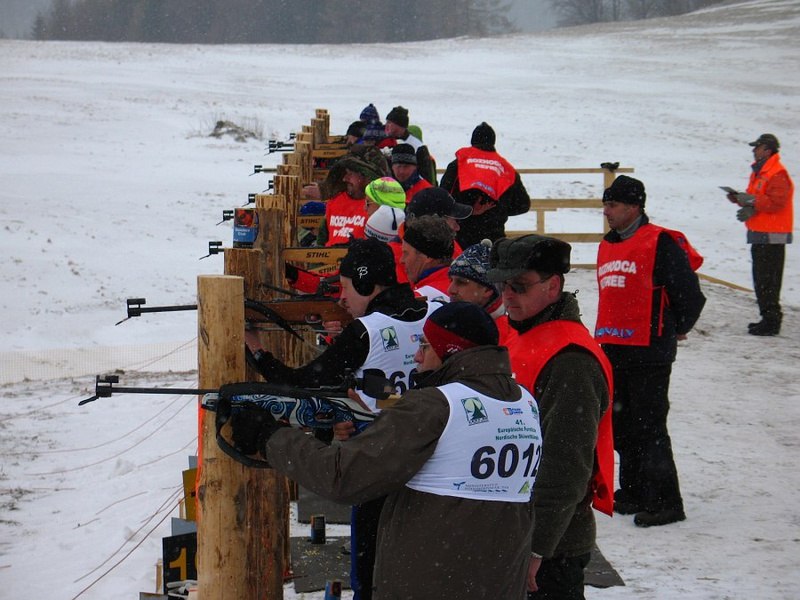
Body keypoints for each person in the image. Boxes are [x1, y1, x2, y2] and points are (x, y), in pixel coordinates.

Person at [229, 301, 542, 599]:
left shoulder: (433, 406)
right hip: (498, 582)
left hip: (427, 584)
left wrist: (268, 435)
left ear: (451, 351)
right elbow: (451, 455)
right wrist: (375, 423)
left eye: (425, 347)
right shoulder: (523, 401)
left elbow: (342, 476)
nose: (417, 357)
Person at [246, 238, 431, 600]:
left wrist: (256, 350)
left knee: (369, 568)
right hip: (425, 454)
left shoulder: (365, 332)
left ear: (365, 283)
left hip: (378, 461)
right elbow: (401, 392)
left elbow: (298, 384)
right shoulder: (429, 311)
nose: (342, 298)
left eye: (346, 287)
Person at [486, 234, 614, 600]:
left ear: (553, 286)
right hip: (515, 529)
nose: (507, 295)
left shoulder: (571, 360)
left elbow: (566, 466)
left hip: (552, 547)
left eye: (519, 286)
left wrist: (537, 546)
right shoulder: (521, 333)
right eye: (502, 285)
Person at [596, 175, 706, 528]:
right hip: (615, 347)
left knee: (649, 427)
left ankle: (665, 502)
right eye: (605, 204)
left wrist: (676, 327)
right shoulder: (607, 244)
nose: (606, 211)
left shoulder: (659, 241)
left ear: (634, 207)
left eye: (613, 205)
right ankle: (633, 491)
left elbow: (690, 294)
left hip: (649, 350)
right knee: (622, 424)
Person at [726, 133, 794, 336]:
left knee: (768, 279)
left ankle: (771, 321)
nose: (754, 150)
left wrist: (751, 202)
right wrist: (740, 199)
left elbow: (777, 202)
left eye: (757, 147)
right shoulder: (762, 172)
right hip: (761, 232)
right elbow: (759, 198)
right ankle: (768, 318)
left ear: (768, 150)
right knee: (762, 279)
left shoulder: (776, 172)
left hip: (772, 234)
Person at [440, 122, 531, 248]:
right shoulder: (507, 169)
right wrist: (498, 211)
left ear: (473, 141)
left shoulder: (459, 164)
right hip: (494, 237)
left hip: (462, 235)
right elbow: (523, 205)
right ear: (493, 142)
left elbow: (443, 197)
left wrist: (467, 211)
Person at [446, 239, 513, 343]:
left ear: (487, 290)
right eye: (451, 280)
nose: (450, 290)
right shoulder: (457, 320)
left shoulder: (503, 337)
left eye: (461, 282)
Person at [401, 214, 456, 301]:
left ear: (427, 257)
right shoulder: (460, 287)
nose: (402, 260)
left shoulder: (420, 300)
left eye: (406, 253)